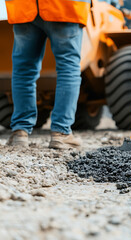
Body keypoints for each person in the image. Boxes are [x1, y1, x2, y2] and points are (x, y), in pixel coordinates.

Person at [5, 0, 90, 149]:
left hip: (24, 7)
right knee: (68, 67)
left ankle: (20, 132)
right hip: (64, 6)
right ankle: (61, 133)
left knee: (23, 70)